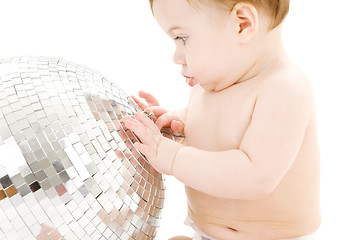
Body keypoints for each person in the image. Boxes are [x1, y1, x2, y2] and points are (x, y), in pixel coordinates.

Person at [123, 0, 321, 239]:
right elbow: (209, 132)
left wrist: (172, 157)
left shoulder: (284, 87)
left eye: (182, 38)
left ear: (242, 24)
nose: (176, 57)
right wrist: (176, 126)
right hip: (205, 232)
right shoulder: (213, 82)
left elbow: (255, 177)